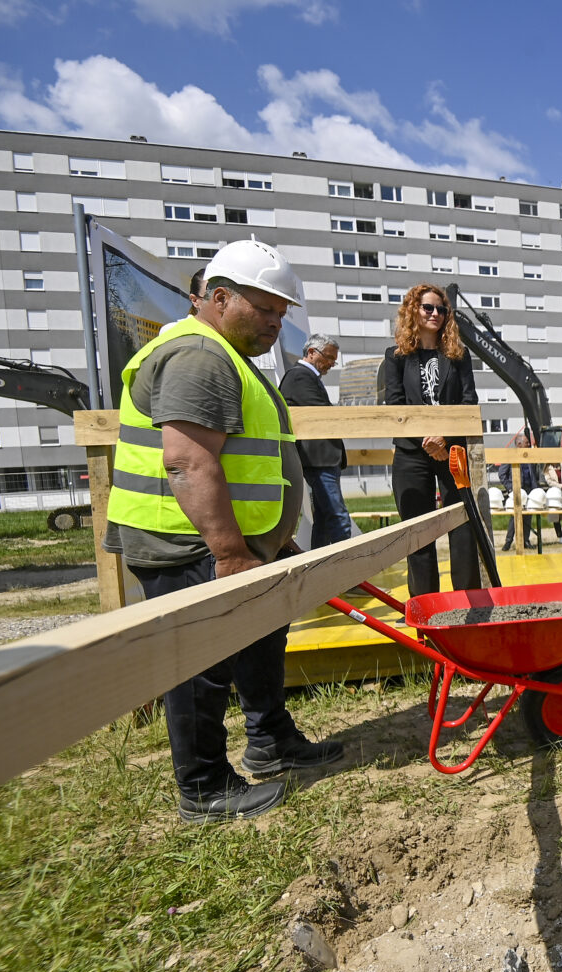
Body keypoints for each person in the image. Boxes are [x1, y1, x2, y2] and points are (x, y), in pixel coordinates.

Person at [102, 239, 342, 823]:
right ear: (218, 297)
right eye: (264, 310)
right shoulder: (198, 356)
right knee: (199, 662)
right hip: (186, 541)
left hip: (233, 540)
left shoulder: (227, 356)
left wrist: (267, 537)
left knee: (261, 637)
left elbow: (241, 458)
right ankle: (204, 785)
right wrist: (230, 552)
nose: (274, 323)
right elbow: (187, 461)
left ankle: (270, 740)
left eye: (282, 314)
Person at [383, 284, 481, 595]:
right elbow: (396, 406)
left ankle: (468, 603)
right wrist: (427, 439)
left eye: (441, 309)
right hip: (411, 454)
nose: (435, 314)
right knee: (418, 533)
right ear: (414, 310)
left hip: (452, 449)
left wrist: (444, 437)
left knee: (462, 528)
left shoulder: (458, 355)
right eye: (428, 308)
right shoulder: (396, 357)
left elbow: (468, 402)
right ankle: (426, 608)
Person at [279, 333, 352, 549]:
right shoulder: (299, 376)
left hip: (322, 459)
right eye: (328, 357)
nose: (331, 364)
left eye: (333, 360)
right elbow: (322, 414)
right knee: (338, 519)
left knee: (324, 521)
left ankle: (321, 573)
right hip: (318, 460)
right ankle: (347, 572)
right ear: (311, 352)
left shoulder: (306, 377)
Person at [498, 429, 539, 550]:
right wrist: (511, 488)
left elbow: (534, 475)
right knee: (514, 517)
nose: (529, 445)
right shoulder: (511, 457)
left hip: (529, 491)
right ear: (519, 444)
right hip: (517, 491)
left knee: (528, 516)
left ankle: (525, 540)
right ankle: (508, 541)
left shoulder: (529, 456)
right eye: (527, 443)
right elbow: (502, 474)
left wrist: (536, 489)